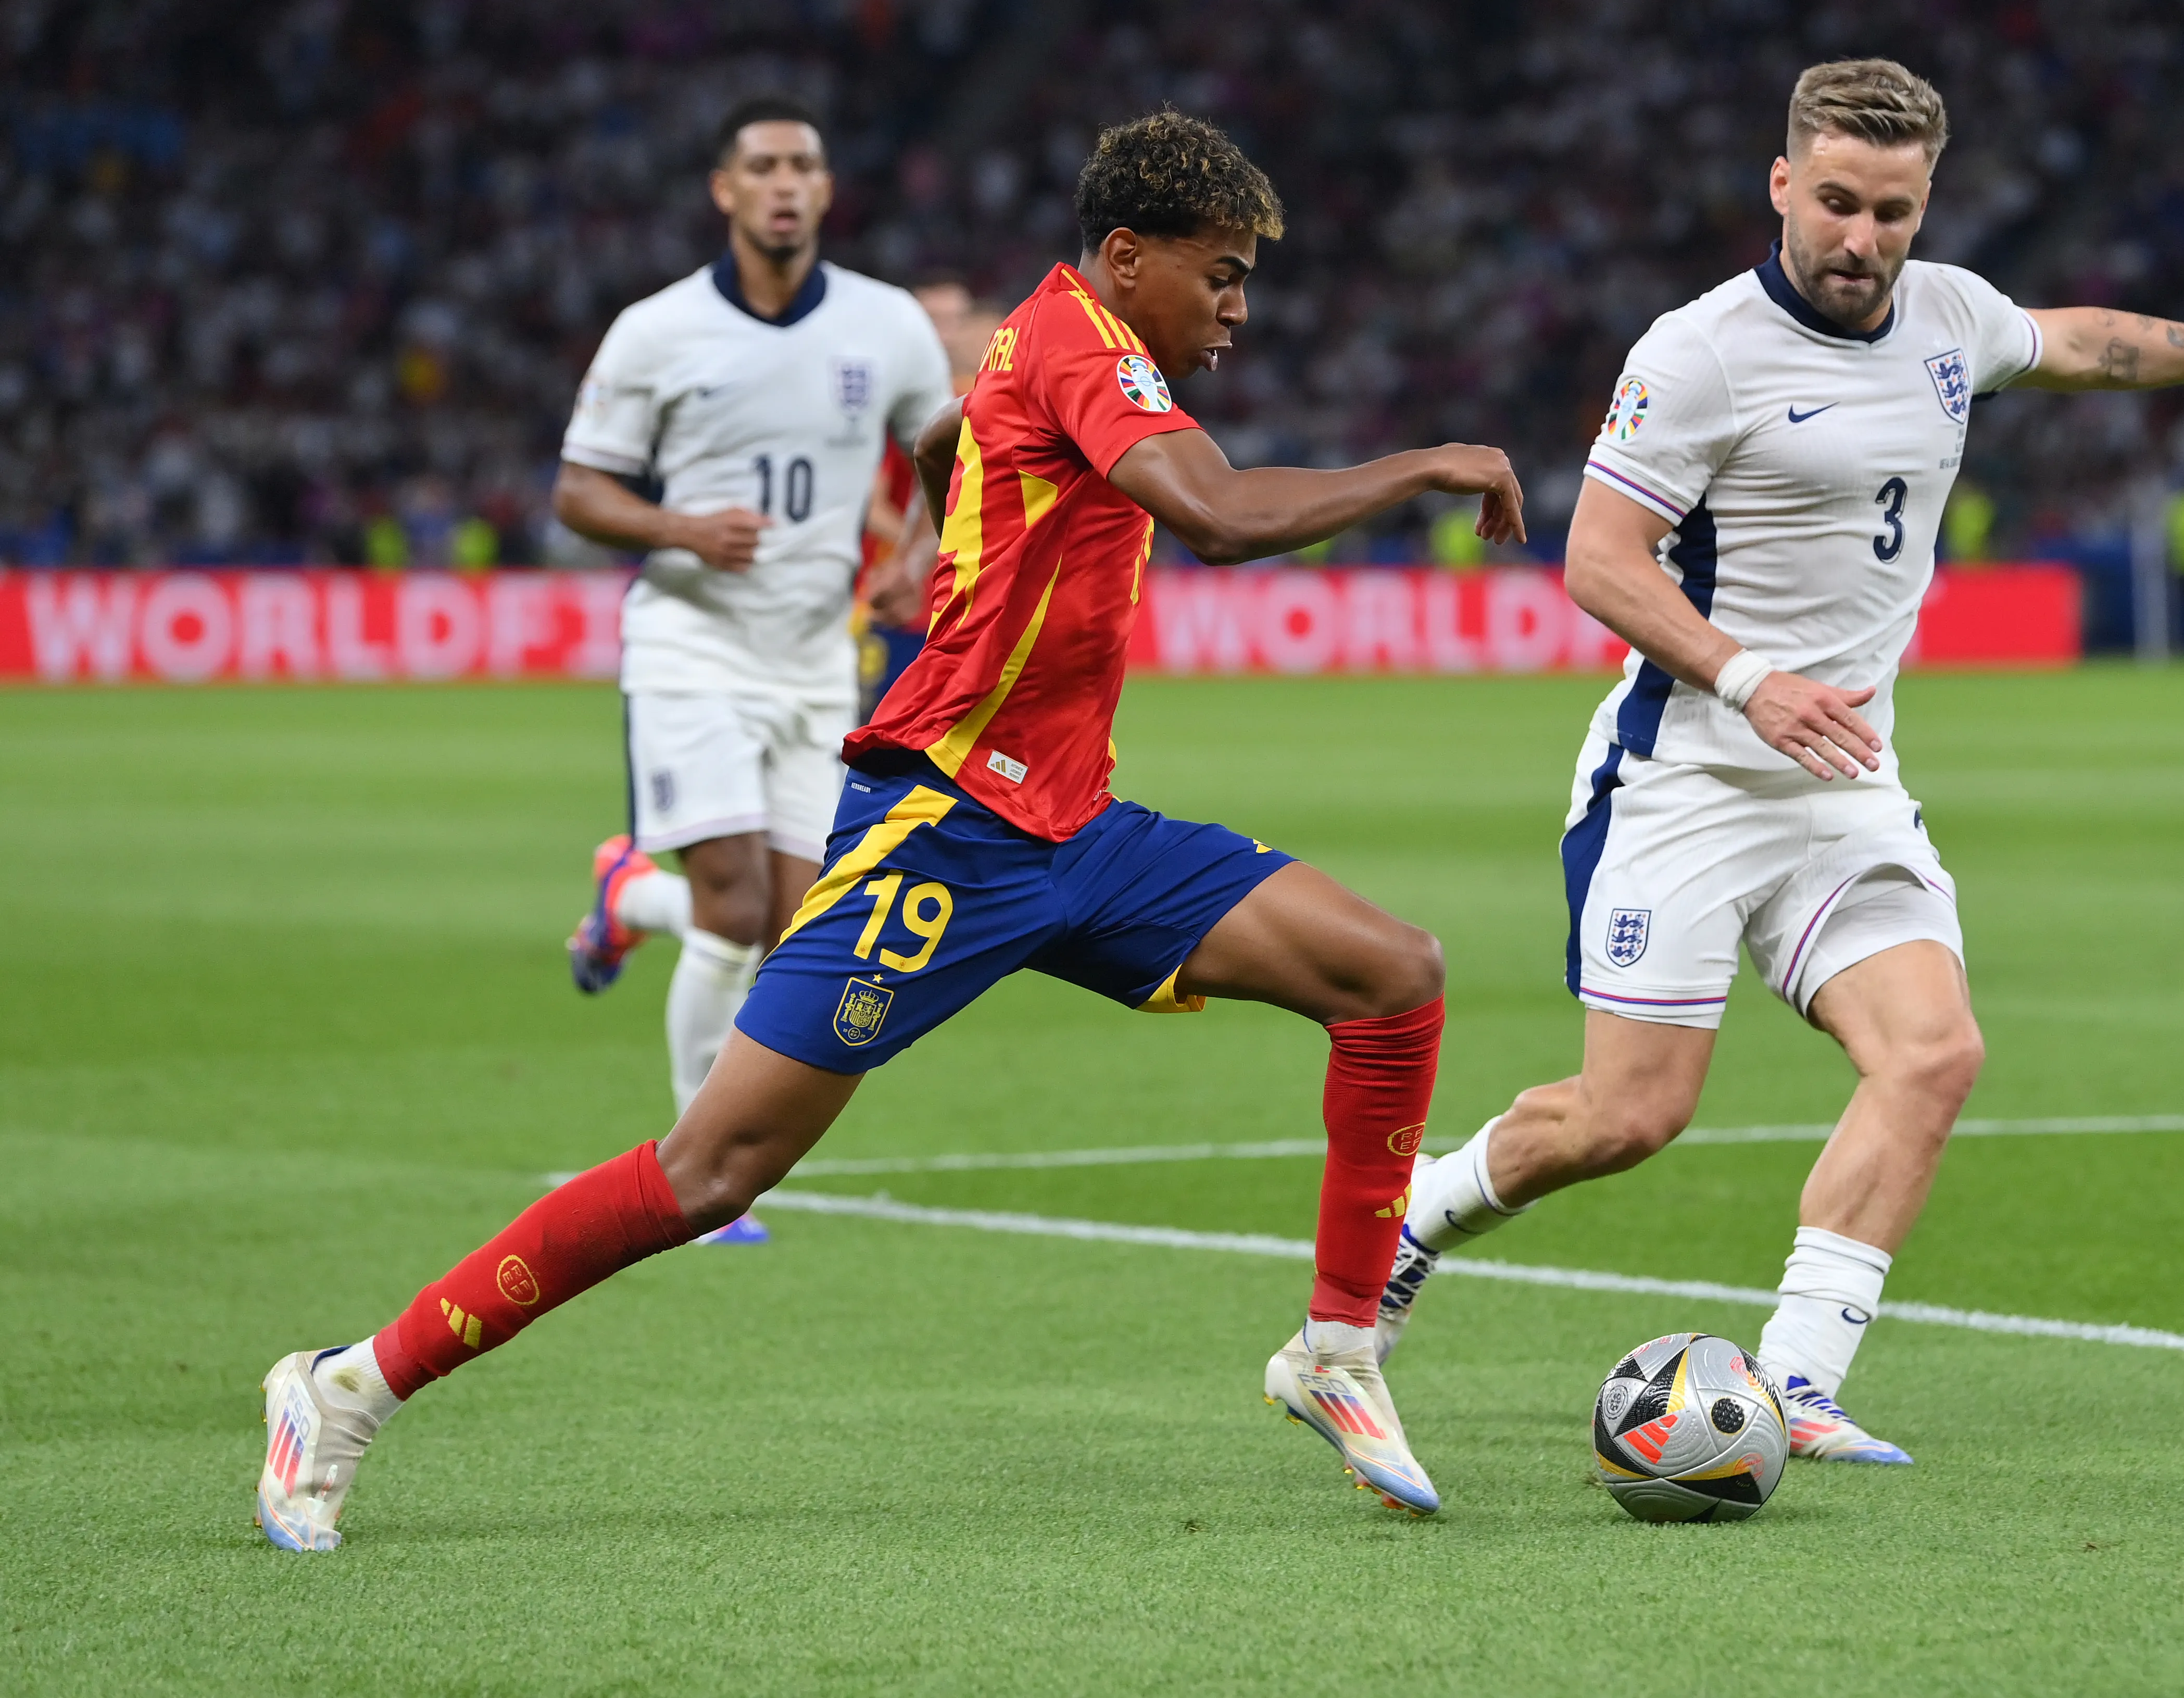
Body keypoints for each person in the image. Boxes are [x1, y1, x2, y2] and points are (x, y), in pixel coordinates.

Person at [255, 110, 1526, 1550]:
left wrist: (939, 536)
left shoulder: (1041, 341)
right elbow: (1221, 517)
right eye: (1220, 276)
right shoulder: (1080, 345)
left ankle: (1339, 1350)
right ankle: (347, 1387)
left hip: (1075, 831)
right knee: (710, 1174)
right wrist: (1429, 464)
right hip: (936, 834)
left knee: (1394, 976)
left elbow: (944, 430)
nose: (1238, 309)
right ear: (1129, 258)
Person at [1374, 58, 2184, 1467]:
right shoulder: (1700, 351)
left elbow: (2088, 343)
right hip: (1690, 781)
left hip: (1844, 786)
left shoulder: (1955, 316)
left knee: (1933, 1051)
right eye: (1836, 203)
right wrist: (1747, 677)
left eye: (1893, 212)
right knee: (1628, 1117)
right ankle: (1416, 1218)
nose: (1861, 239)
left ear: (1927, 206)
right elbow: (1600, 561)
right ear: (1782, 185)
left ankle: (1795, 1383)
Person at [554, 97, 953, 1245]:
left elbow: (950, 453)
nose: (785, 184)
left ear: (827, 192)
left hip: (814, 661)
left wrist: (920, 559)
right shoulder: (656, 330)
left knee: (795, 929)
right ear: (723, 192)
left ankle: (631, 897)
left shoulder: (884, 327)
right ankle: (696, 1171)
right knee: (736, 910)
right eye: (763, 166)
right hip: (690, 649)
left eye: (805, 166)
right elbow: (579, 489)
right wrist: (683, 531)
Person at [853, 281, 1005, 721]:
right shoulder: (899, 407)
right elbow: (871, 504)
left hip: (964, 608)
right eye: (932, 321)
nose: (946, 335)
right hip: (899, 603)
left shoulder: (990, 401)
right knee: (877, 738)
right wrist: (931, 553)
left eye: (955, 321)